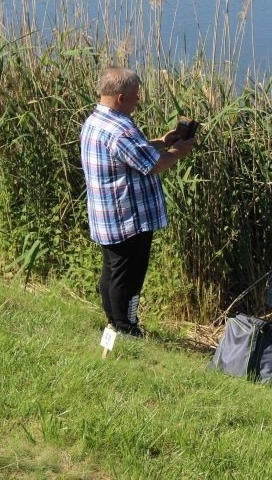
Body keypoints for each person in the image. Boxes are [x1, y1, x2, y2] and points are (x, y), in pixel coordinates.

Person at [80, 66, 195, 337]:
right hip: (127, 218)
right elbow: (153, 165)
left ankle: (114, 322)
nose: (139, 99)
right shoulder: (120, 129)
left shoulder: (96, 120)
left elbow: (133, 152)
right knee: (127, 277)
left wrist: (162, 141)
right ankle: (125, 328)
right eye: (135, 95)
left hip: (107, 215)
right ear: (121, 97)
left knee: (112, 272)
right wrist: (179, 151)